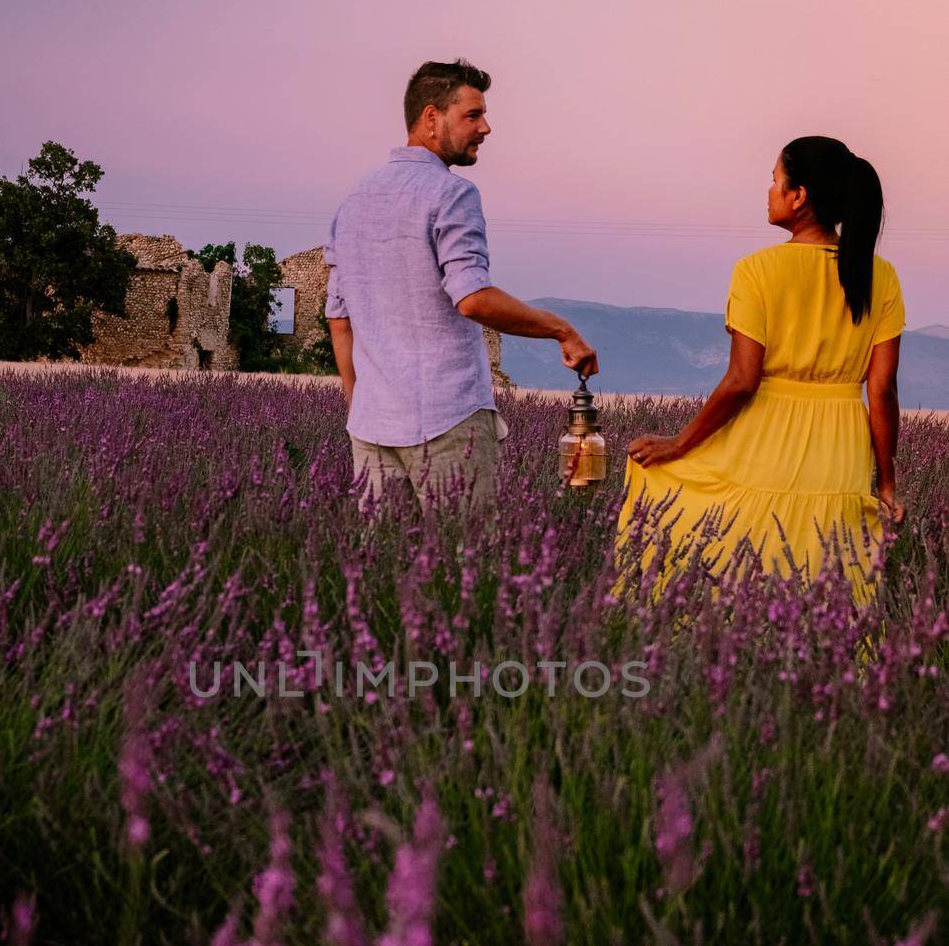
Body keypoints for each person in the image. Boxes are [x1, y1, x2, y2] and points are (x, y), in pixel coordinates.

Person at [613, 137, 907, 608]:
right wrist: (887, 482)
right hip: (841, 447)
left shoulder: (756, 270)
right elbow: (883, 390)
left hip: (763, 438)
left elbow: (742, 380)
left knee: (738, 555)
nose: (769, 191)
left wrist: (679, 443)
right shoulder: (881, 276)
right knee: (827, 571)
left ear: (799, 195)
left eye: (774, 181)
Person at [325, 57, 598, 520]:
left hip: (371, 428)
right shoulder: (453, 194)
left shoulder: (353, 203)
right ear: (431, 118)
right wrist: (562, 330)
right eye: (473, 115)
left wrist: (362, 408)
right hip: (448, 421)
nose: (486, 127)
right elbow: (472, 297)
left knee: (381, 577)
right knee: (464, 570)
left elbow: (339, 319)